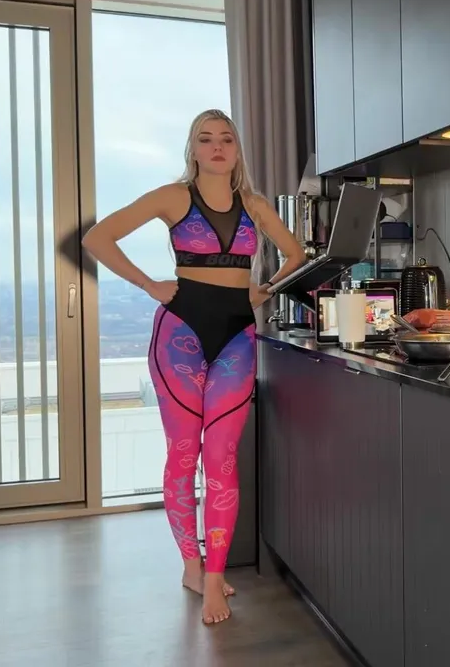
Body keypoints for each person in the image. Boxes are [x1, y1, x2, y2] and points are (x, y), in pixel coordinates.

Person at [82, 109, 306, 624]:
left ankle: (213, 576)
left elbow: (295, 254)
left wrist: (264, 289)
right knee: (185, 456)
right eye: (206, 139)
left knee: (222, 457)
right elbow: (97, 238)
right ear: (194, 149)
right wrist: (149, 285)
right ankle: (191, 566)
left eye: (226, 138)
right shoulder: (173, 197)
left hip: (236, 337)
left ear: (237, 149)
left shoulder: (255, 205)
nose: (217, 147)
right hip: (179, 334)